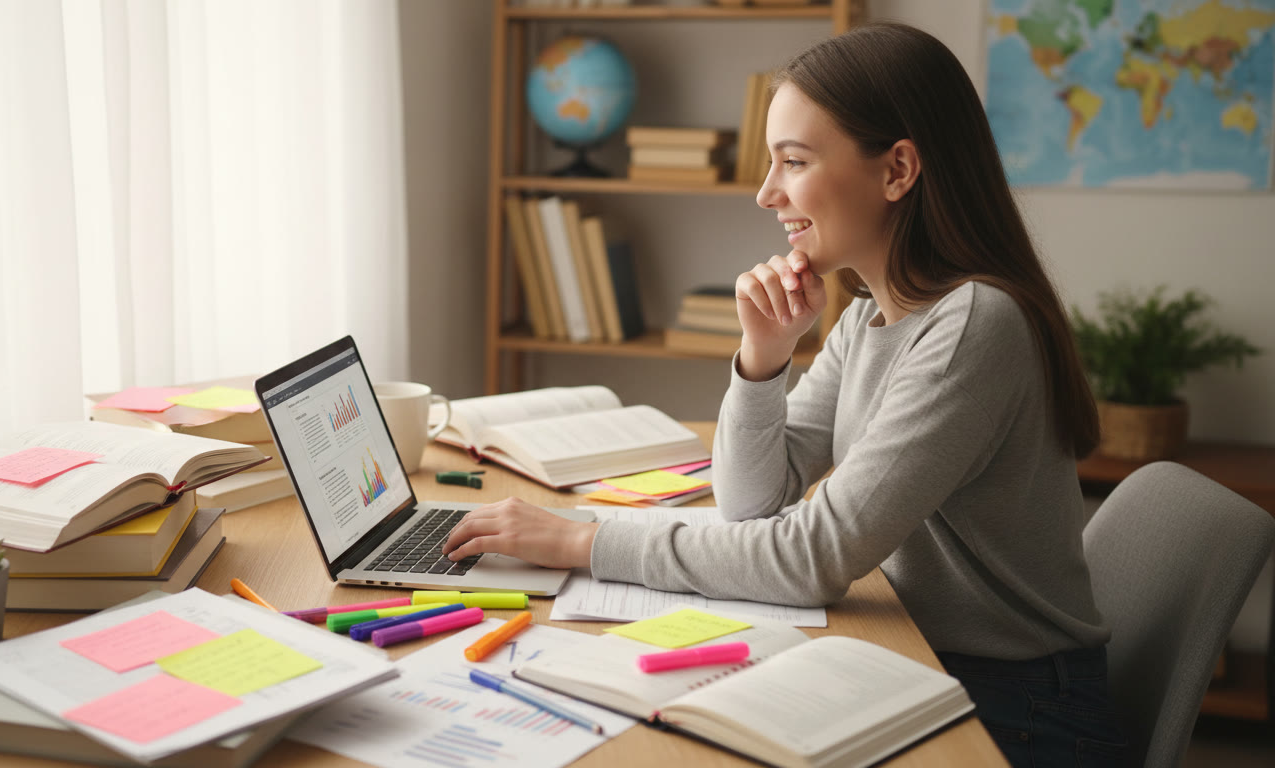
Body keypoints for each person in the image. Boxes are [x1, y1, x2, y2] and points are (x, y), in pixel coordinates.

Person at [444, 22, 1125, 766]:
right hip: (930, 659)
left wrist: (586, 540)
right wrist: (764, 359)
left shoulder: (973, 325)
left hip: (1022, 710)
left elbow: (813, 555)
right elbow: (751, 502)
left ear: (897, 170)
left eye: (793, 161)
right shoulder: (870, 316)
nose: (768, 193)